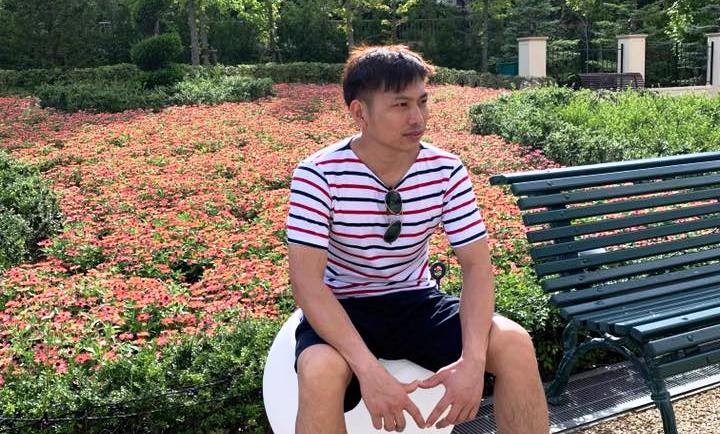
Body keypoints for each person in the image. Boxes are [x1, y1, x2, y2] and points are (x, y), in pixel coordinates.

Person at [286, 45, 549, 434]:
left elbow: (477, 266)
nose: (418, 117)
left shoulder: (445, 169)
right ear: (360, 112)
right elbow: (307, 283)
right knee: (319, 370)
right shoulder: (318, 174)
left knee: (513, 342)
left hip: (416, 301)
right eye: (401, 105)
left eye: (422, 102)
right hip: (344, 306)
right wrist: (368, 370)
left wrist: (473, 362)